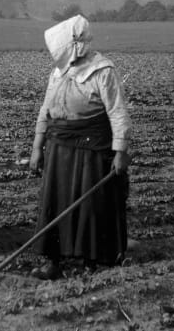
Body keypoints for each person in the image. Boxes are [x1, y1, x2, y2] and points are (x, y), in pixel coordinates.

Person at [28, 15, 130, 280]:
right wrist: (37, 147)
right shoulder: (58, 72)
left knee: (90, 206)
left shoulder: (103, 71)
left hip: (92, 148)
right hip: (59, 145)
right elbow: (46, 110)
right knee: (56, 203)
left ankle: (91, 261)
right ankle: (53, 261)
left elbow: (118, 113)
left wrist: (120, 152)